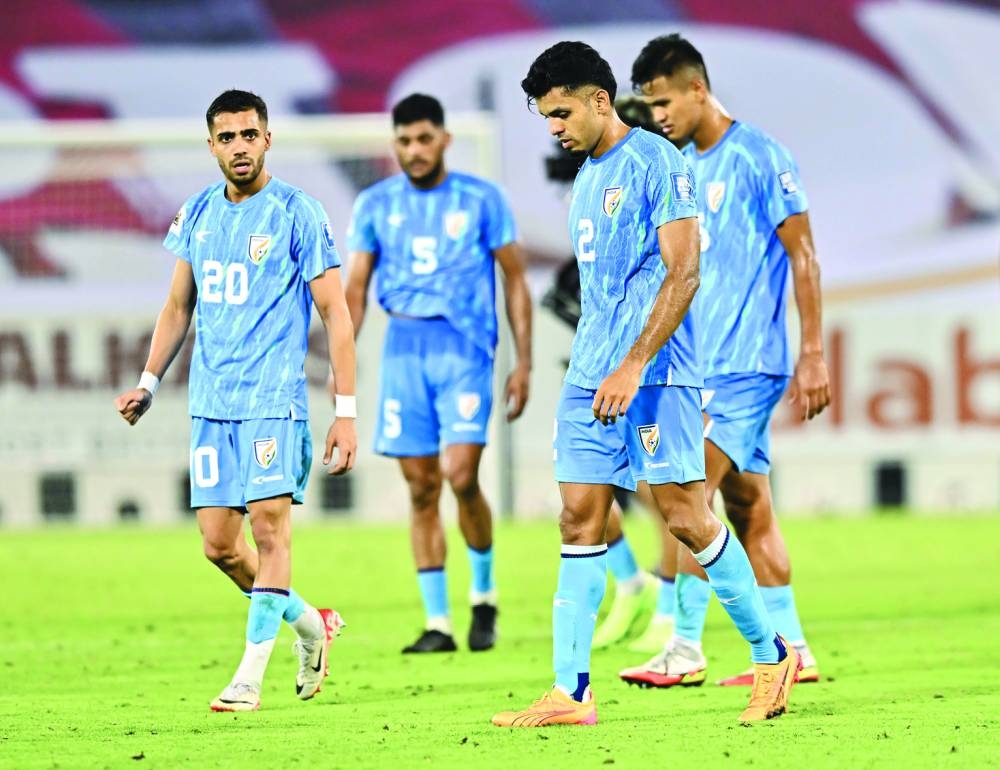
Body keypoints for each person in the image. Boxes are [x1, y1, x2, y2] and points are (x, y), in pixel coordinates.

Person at [493, 41, 798, 728]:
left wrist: (633, 364)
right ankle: (571, 692)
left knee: (688, 516)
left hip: (657, 375)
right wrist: (597, 363)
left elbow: (683, 274)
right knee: (577, 515)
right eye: (547, 118)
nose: (555, 128)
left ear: (600, 100)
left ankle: (770, 652)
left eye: (562, 112)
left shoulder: (661, 163)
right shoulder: (586, 179)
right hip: (593, 374)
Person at [114, 89, 357, 712]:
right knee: (220, 545)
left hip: (274, 399)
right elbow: (177, 307)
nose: (240, 147)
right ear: (212, 146)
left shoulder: (299, 212)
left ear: (267, 139)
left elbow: (335, 312)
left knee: (271, 533)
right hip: (211, 403)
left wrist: (346, 412)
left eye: (250, 135)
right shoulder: (196, 214)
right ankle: (310, 626)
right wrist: (148, 380)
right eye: (227, 138)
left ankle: (249, 676)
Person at [619, 33, 829, 690]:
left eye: (663, 102)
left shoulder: (760, 157)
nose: (658, 115)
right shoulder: (678, 166)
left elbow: (805, 256)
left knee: (687, 495)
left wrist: (814, 352)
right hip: (699, 368)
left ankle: (684, 647)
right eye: (649, 105)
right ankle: (795, 646)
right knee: (749, 507)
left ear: (697, 90)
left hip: (747, 365)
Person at [344, 93, 532, 654]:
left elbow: (516, 280)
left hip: (465, 346)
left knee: (460, 475)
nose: (414, 150)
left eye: (424, 138)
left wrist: (521, 361)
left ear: (445, 139)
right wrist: (340, 362)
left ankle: (483, 596)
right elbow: (353, 289)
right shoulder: (375, 204)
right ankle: (438, 623)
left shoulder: (482, 198)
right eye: (404, 141)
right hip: (404, 348)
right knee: (421, 487)